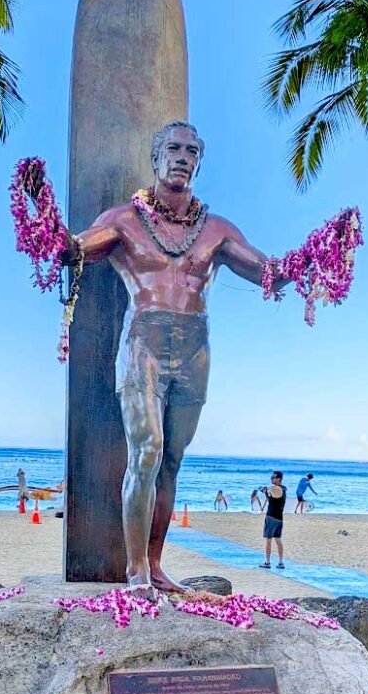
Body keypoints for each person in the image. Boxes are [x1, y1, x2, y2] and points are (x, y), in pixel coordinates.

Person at [45, 122, 293, 594]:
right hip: (144, 342)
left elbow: (270, 274)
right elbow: (71, 251)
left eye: (192, 151)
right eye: (174, 149)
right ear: (156, 158)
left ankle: (156, 565)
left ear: (199, 161)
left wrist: (317, 254)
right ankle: (134, 570)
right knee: (148, 451)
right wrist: (40, 209)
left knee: (172, 460)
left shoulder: (215, 230)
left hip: (195, 346)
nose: (183, 157)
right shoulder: (123, 220)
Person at [258, 471, 286, 569]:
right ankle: (281, 562)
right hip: (279, 518)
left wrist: (264, 489)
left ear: (279, 479)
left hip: (271, 517)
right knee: (278, 539)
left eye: (274, 478)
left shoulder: (276, 488)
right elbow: (271, 495)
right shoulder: (282, 489)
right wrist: (265, 491)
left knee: (268, 540)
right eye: (272, 477)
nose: (272, 479)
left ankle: (267, 562)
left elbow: (267, 489)